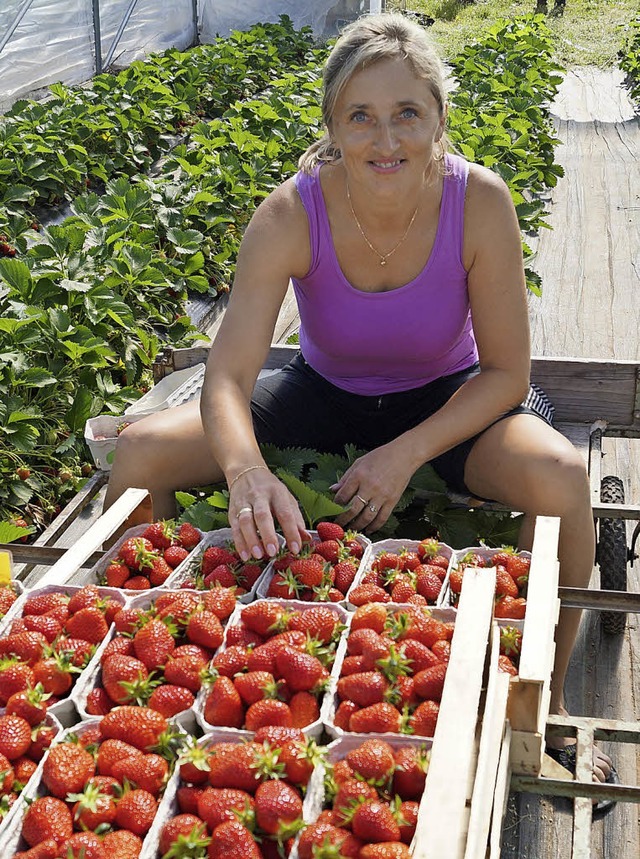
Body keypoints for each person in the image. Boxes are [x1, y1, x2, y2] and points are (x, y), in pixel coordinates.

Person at [104, 12, 613, 793]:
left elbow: (508, 373)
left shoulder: (477, 203)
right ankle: (160, 665)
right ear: (332, 127)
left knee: (559, 476)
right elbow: (228, 378)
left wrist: (407, 452)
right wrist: (244, 472)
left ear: (439, 117)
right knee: (139, 451)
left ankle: (539, 710)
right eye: (361, 117)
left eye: (407, 113)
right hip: (324, 392)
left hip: (448, 400)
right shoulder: (291, 211)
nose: (386, 139)